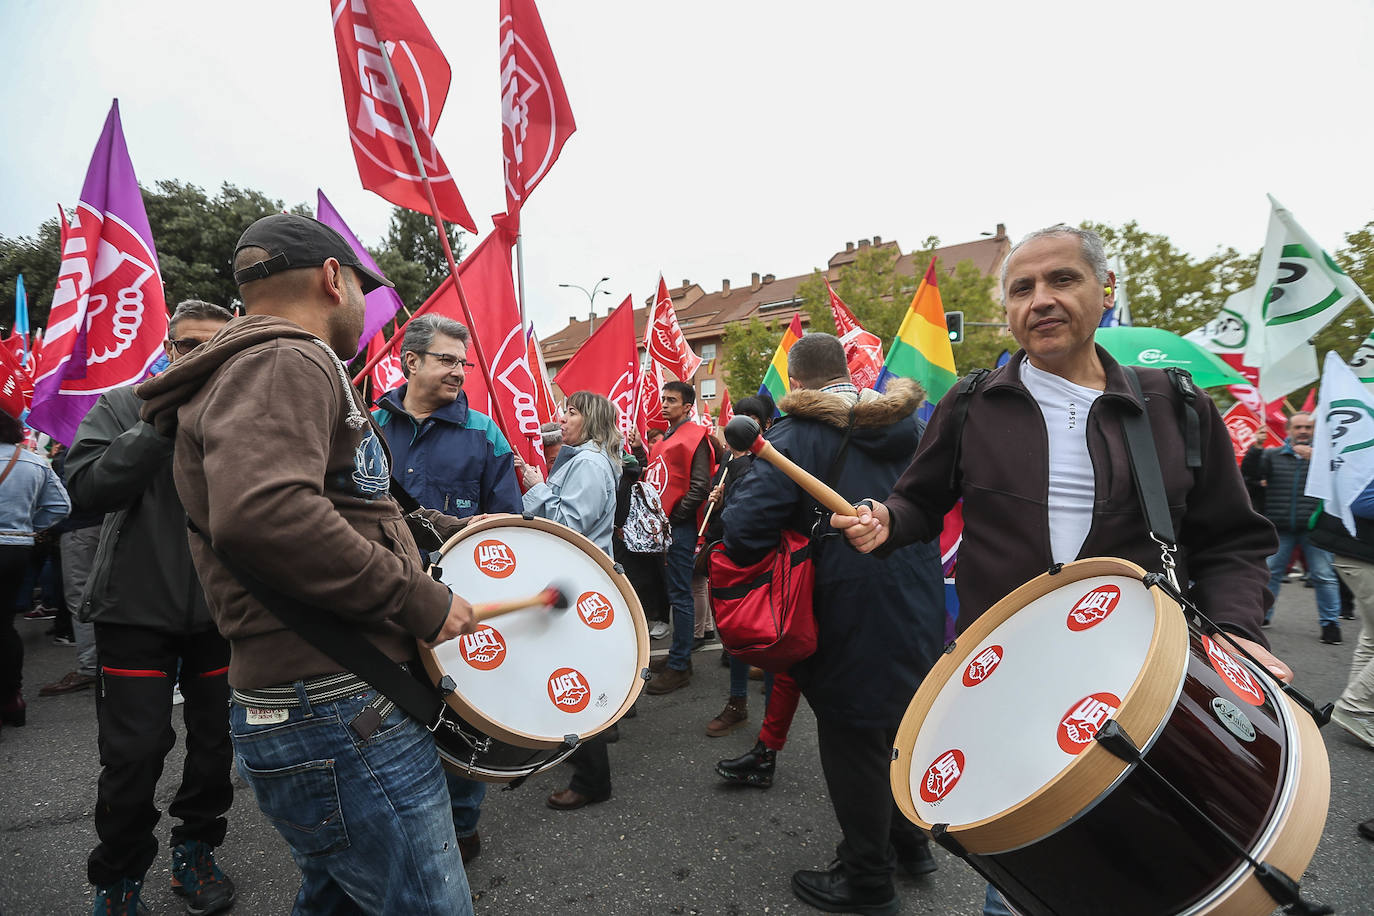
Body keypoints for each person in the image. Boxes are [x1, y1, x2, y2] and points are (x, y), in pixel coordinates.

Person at [834, 224, 1290, 916]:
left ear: (1104, 292)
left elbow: (1230, 539)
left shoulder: (1176, 405)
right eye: (1022, 289)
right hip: (1013, 679)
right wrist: (888, 521)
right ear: (1010, 310)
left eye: (1062, 280)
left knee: (1163, 859)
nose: (1040, 300)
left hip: (1146, 678)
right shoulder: (972, 401)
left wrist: (1236, 630)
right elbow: (920, 502)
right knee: (1031, 875)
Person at [138, 213, 477, 915]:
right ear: (332, 278)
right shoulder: (288, 358)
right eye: (359, 285)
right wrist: (420, 600)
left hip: (322, 696)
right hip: (338, 700)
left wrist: (458, 532)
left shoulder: (262, 363)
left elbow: (352, 503)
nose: (362, 303)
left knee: (341, 899)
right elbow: (267, 513)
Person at [722, 333, 946, 916]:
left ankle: (867, 880)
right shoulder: (913, 428)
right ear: (848, 373)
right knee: (899, 727)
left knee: (852, 738)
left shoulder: (793, 437)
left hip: (845, 607)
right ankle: (912, 844)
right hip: (918, 599)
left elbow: (745, 533)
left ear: (795, 384)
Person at [66, 300, 238, 916]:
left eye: (217, 346)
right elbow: (86, 486)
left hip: (222, 617)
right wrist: (155, 427)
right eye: (189, 345)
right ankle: (118, 878)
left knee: (216, 749)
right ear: (167, 348)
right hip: (134, 614)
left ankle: (195, 850)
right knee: (134, 758)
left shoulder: (246, 413)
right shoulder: (121, 404)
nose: (201, 358)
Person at [373, 313, 525, 862]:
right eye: (446, 360)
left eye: (464, 362)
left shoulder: (484, 434)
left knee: (460, 720)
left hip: (458, 614)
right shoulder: (365, 428)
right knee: (387, 721)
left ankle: (462, 828)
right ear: (410, 361)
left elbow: (511, 532)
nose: (460, 371)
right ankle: (401, 826)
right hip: (382, 610)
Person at [514, 391, 623, 810]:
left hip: (579, 581)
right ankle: (587, 745)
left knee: (572, 679)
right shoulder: (583, 460)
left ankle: (592, 779)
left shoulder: (591, 465)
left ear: (591, 420)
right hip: (576, 579)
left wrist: (538, 486)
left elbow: (567, 526)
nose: (560, 418)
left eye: (571, 412)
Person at [702, 395, 774, 738]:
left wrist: (729, 501)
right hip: (730, 557)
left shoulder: (769, 462)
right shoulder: (727, 461)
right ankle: (738, 703)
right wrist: (714, 502)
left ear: (766, 425)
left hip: (762, 561)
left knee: (773, 636)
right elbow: (721, 511)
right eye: (739, 416)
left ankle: (774, 715)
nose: (743, 423)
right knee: (737, 634)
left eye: (752, 418)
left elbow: (755, 512)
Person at [0, 409, 71, 737]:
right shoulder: (31, 460)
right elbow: (61, 506)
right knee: (5, 624)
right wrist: (28, 530)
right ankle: (12, 698)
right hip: (16, 549)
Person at [1244, 412, 1344, 643]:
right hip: (1281, 528)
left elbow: (1343, 481)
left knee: (1324, 576)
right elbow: (1249, 473)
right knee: (1271, 574)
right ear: (1288, 430)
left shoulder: (1326, 458)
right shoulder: (1272, 455)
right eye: (1298, 427)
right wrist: (1257, 447)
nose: (1303, 431)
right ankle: (1263, 616)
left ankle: (1330, 624)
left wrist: (1320, 460)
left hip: (1314, 528)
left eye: (1308, 428)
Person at [644, 380, 715, 695]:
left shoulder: (695, 437)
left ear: (688, 406)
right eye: (663, 399)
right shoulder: (667, 437)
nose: (664, 404)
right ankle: (678, 655)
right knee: (675, 593)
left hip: (679, 527)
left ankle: (680, 664)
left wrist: (671, 518)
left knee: (682, 595)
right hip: (667, 525)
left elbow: (700, 487)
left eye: (671, 400)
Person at [1310, 481, 1374, 750]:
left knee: (1371, 635)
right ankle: (1356, 706)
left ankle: (1360, 709)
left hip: (1355, 552)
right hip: (1361, 554)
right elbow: (1361, 501)